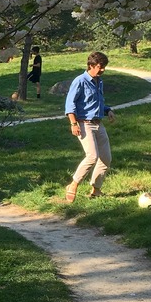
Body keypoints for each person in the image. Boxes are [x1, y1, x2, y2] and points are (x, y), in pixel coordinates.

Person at [64, 51, 116, 201]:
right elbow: (70, 104)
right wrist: (73, 123)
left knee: (106, 158)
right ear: (91, 65)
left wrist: (108, 110)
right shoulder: (79, 81)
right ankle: (73, 184)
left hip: (98, 124)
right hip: (83, 123)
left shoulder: (99, 81)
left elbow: (96, 103)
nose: (103, 70)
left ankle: (96, 190)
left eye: (104, 67)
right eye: (100, 66)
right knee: (92, 156)